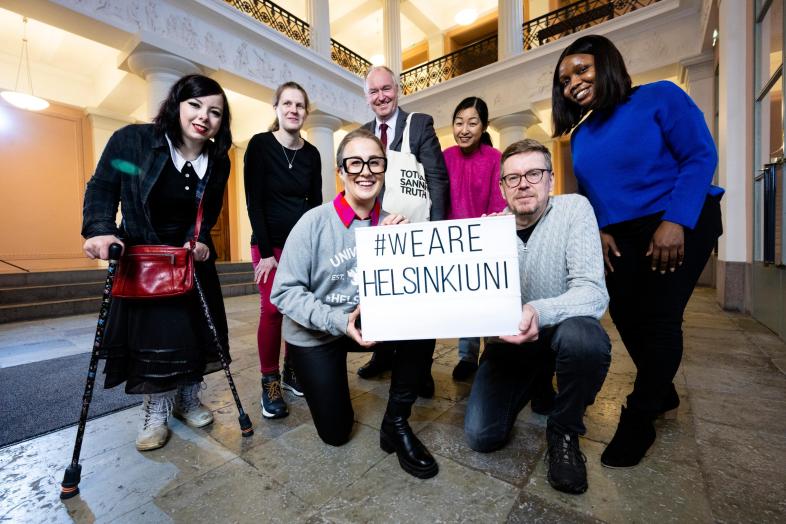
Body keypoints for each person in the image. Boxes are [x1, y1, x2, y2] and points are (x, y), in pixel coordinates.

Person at [551, 34, 723, 468]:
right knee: (626, 315)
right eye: (565, 79)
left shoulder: (660, 96)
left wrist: (675, 221)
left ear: (606, 64)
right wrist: (601, 229)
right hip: (619, 233)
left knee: (661, 319)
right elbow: (593, 193)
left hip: (681, 217)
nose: (573, 82)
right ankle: (661, 390)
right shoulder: (582, 134)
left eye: (582, 69)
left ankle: (640, 415)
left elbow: (700, 156)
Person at [270, 128, 439, 479]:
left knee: (425, 319)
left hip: (369, 322)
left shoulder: (393, 224)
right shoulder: (312, 223)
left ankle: (396, 422)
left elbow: (416, 290)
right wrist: (337, 320)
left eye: (374, 162)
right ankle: (311, 374)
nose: (365, 171)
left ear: (384, 169)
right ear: (341, 171)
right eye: (355, 163)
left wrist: (405, 246)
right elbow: (283, 292)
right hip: (317, 331)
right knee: (336, 434)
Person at [81, 74, 233, 451]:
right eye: (195, 105)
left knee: (199, 333)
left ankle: (187, 399)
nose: (204, 117)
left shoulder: (218, 160)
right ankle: (156, 411)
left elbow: (209, 210)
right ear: (177, 105)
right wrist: (99, 229)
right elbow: (102, 186)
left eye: (215, 112)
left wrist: (201, 241)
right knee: (159, 340)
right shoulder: (133, 141)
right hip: (147, 259)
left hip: (190, 260)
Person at [464, 139, 611, 495]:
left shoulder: (574, 210)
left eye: (533, 173)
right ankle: (537, 380)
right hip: (508, 347)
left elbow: (594, 293)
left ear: (550, 179)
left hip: (562, 332)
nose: (523, 184)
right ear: (501, 188)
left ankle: (564, 429)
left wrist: (537, 310)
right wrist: (480, 251)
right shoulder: (490, 230)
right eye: (512, 178)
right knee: (481, 435)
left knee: (585, 340)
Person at [357, 65, 450, 397]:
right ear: (366, 97)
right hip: (378, 234)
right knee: (380, 300)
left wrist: (437, 232)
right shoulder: (363, 133)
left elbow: (437, 178)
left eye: (386, 89)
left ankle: (420, 370)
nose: (381, 96)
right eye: (373, 91)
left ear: (397, 90)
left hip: (416, 233)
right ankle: (383, 356)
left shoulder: (419, 124)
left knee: (420, 307)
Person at [244, 81, 322, 420]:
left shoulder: (313, 153)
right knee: (273, 310)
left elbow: (316, 204)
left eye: (299, 105)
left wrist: (315, 248)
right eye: (287, 103)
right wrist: (265, 253)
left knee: (297, 310)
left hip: (300, 247)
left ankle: (292, 371)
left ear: (305, 112)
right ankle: (269, 381)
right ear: (276, 108)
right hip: (269, 246)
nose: (293, 110)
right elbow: (254, 201)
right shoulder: (260, 145)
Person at [443, 96, 507, 381]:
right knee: (464, 303)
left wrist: (487, 233)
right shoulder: (445, 156)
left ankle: (492, 353)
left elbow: (497, 201)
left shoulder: (495, 158)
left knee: (488, 299)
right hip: (452, 242)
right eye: (459, 123)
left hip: (486, 239)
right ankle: (466, 356)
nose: (464, 129)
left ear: (484, 126)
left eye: (472, 122)